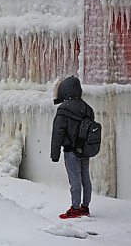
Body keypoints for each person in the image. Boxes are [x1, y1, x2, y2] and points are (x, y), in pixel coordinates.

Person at [51, 76, 95, 219]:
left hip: (71, 151)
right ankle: (85, 207)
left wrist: (55, 154)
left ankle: (75, 209)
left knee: (74, 180)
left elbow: (58, 132)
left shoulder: (63, 109)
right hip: (85, 150)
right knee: (85, 179)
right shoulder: (88, 108)